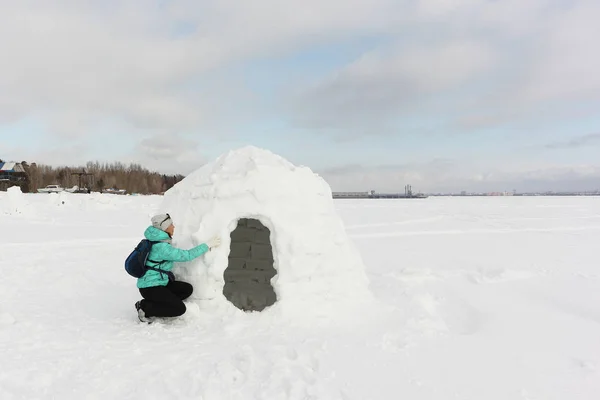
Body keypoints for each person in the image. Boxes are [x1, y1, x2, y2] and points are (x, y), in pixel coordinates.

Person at [134, 213, 221, 323]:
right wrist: (207, 245)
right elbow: (186, 255)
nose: (174, 226)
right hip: (150, 287)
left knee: (186, 289)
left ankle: (161, 302)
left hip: (159, 283)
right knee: (179, 309)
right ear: (164, 227)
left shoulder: (157, 241)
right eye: (171, 224)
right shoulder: (161, 247)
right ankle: (145, 307)